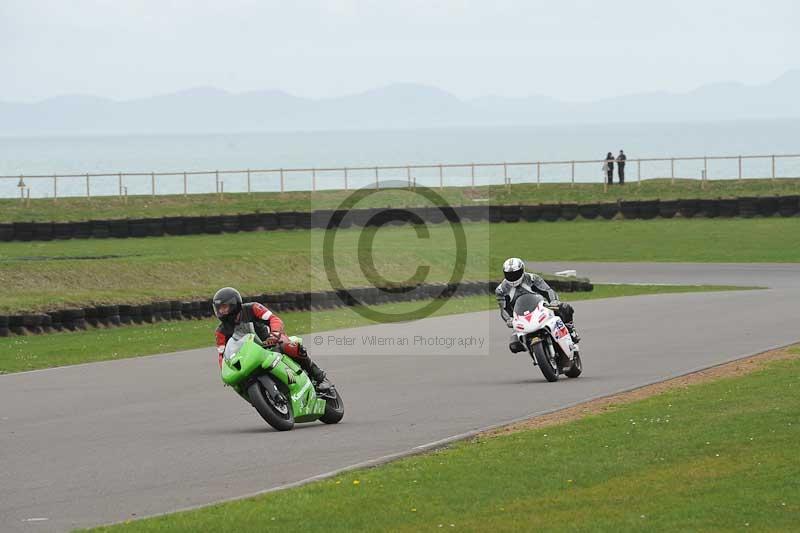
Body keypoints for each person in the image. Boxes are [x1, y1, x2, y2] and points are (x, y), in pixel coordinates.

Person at [212, 287, 331, 392]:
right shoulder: (220, 331)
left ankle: (319, 377)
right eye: (219, 308)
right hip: (248, 355)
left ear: (234, 304)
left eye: (224, 307)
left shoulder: (252, 308)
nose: (221, 311)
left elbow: (274, 319)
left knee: (288, 346)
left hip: (270, 341)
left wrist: (274, 335)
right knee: (238, 383)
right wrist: (226, 372)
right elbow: (222, 355)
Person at [495, 258, 580, 354]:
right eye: (509, 275)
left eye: (516, 274)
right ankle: (534, 352)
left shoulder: (533, 278)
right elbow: (503, 309)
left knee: (565, 308)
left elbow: (548, 290)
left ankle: (571, 330)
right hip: (520, 317)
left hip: (540, 308)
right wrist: (508, 319)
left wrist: (554, 301)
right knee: (514, 345)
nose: (513, 277)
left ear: (522, 270)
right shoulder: (501, 290)